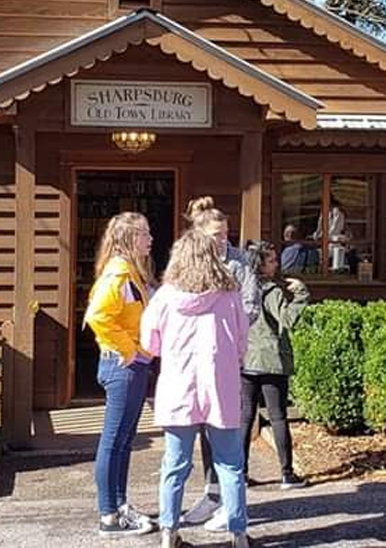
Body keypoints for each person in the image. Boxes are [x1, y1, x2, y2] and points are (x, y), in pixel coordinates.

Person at [140, 229, 251, 548]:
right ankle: (238, 534)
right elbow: (242, 340)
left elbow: (149, 343)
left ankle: (168, 532)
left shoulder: (165, 296)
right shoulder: (229, 295)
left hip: (179, 388)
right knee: (230, 464)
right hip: (221, 387)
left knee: (175, 465)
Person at [180, 196, 261, 530]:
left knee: (228, 429)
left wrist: (226, 331)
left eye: (226, 233)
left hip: (228, 357)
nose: (224, 239)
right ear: (200, 234)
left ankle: (231, 502)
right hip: (196, 359)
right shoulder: (189, 261)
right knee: (203, 426)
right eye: (217, 234)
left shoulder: (240, 262)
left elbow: (251, 305)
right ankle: (212, 494)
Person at [83, 212, 158, 537]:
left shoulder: (131, 273)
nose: (150, 239)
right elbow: (97, 316)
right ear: (129, 238)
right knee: (114, 441)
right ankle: (109, 516)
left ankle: (119, 505)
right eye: (144, 234)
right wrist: (130, 350)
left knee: (124, 441)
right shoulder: (118, 274)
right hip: (122, 366)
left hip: (132, 365)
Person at [240, 239, 311, 489]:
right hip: (271, 361)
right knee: (278, 417)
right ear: (261, 265)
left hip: (246, 359)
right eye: (271, 260)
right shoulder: (272, 292)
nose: (276, 263)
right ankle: (287, 474)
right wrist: (301, 295)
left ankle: (240, 473)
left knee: (245, 417)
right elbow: (288, 320)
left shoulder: (242, 290)